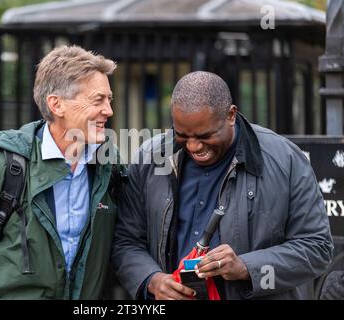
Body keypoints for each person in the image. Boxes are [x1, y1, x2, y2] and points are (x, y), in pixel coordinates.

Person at [112, 71, 334, 300]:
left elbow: (317, 248)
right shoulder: (149, 159)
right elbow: (125, 241)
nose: (193, 146)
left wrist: (246, 267)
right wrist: (152, 280)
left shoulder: (285, 159)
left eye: (205, 135)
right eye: (182, 135)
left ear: (231, 115)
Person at [0, 45, 120, 299]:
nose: (108, 110)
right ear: (56, 104)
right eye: (98, 100)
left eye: (109, 99)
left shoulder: (109, 167)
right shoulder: (2, 167)